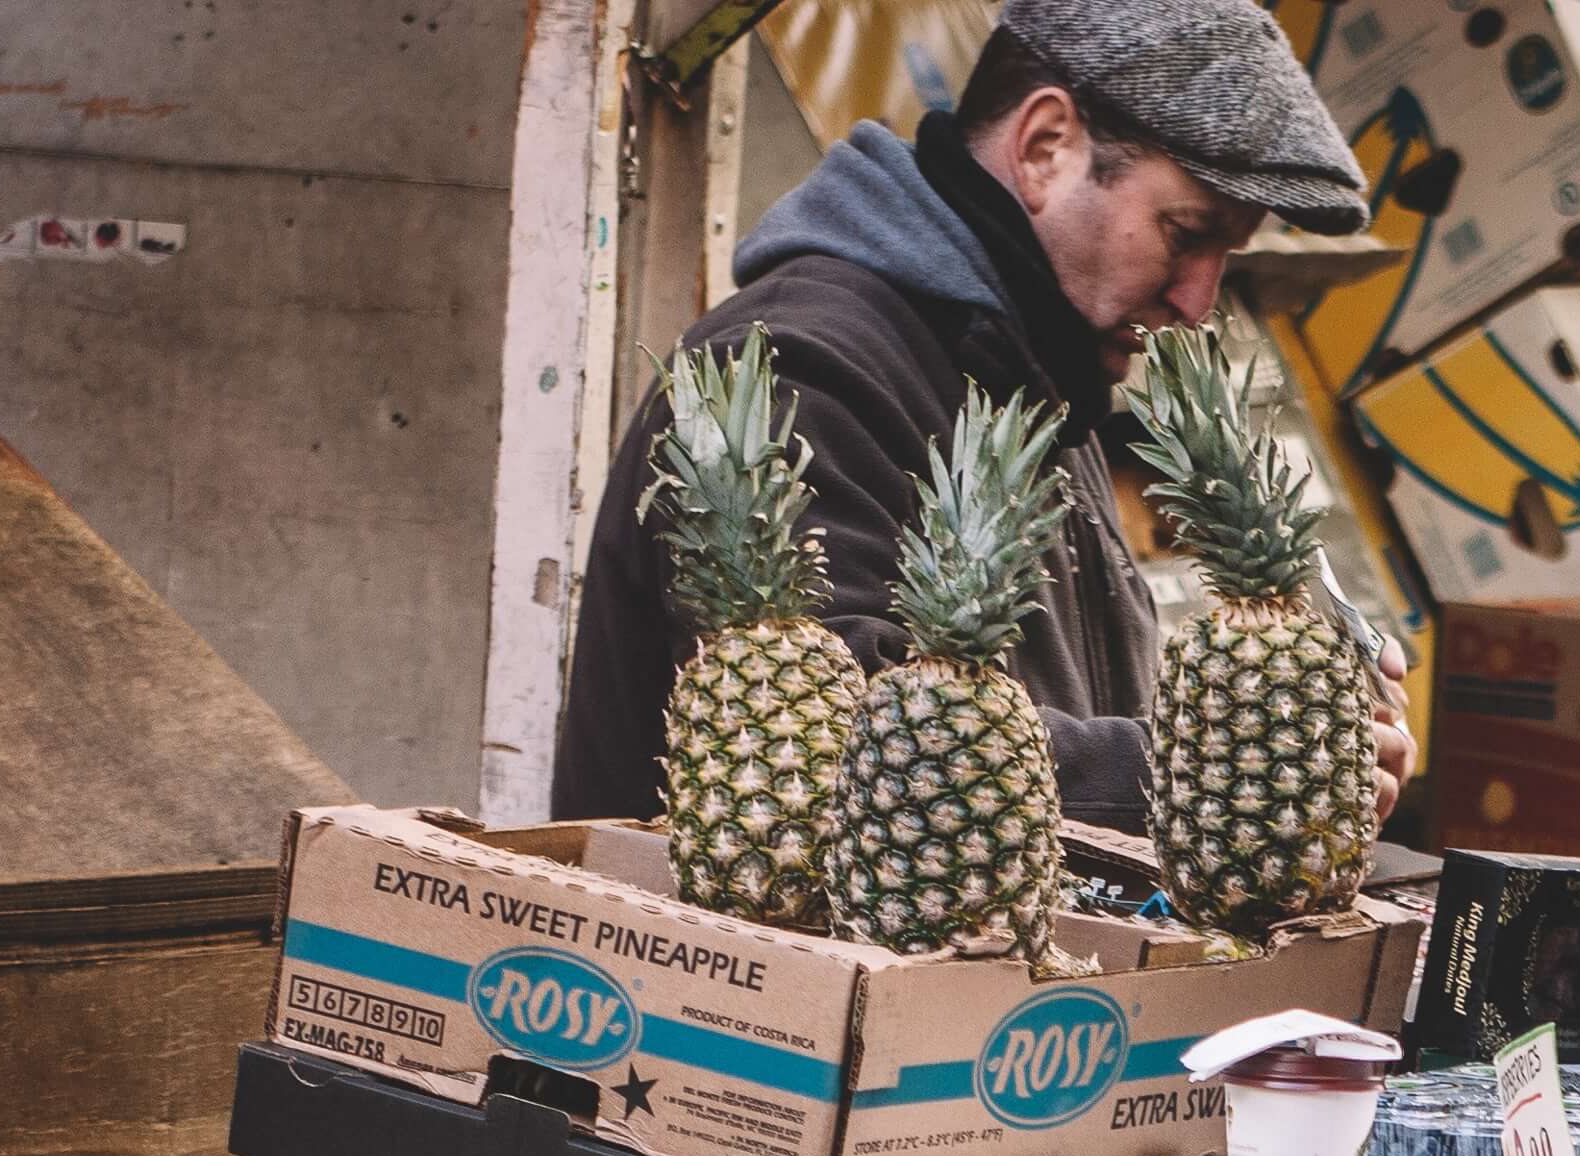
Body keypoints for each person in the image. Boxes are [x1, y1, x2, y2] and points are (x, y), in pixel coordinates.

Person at [549, 0, 1415, 843]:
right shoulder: (796, 368)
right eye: (1186, 234)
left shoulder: (1040, 378)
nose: (1198, 302)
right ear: (1045, 148)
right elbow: (839, 746)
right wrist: (1215, 773)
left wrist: (1278, 736)